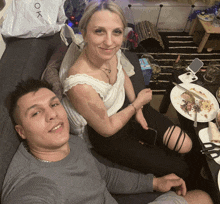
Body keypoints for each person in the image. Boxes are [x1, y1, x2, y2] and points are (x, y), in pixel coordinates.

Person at [2, 79, 213, 204]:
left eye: (54, 105)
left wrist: (155, 182)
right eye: (36, 113)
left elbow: (104, 175)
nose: (52, 115)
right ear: (21, 131)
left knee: (203, 198)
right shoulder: (34, 186)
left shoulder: (70, 142)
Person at [60, 0, 192, 179]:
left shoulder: (111, 51)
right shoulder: (80, 84)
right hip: (111, 136)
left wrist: (137, 108)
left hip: (129, 106)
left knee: (186, 144)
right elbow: (106, 129)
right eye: (99, 31)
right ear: (84, 34)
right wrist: (137, 104)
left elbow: (122, 75)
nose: (109, 42)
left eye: (116, 32)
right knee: (181, 168)